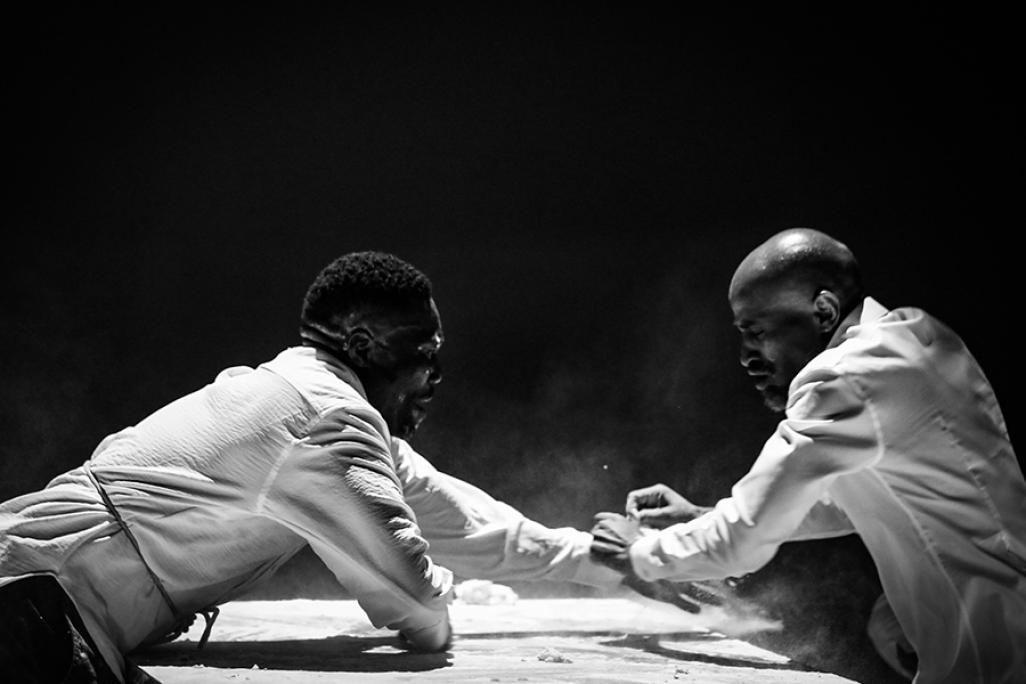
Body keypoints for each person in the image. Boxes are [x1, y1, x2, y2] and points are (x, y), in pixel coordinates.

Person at [1, 251, 624, 684]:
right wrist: (447, 592)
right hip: (29, 615)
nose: (435, 378)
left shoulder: (309, 402)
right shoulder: (324, 421)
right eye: (423, 354)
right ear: (359, 345)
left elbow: (470, 523)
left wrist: (627, 563)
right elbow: (416, 602)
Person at [590, 228, 1026, 684]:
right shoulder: (915, 336)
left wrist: (639, 553)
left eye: (755, 332)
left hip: (994, 664)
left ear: (823, 311)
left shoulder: (844, 376)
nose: (745, 357)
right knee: (888, 623)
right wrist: (704, 516)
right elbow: (851, 500)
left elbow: (744, 539)